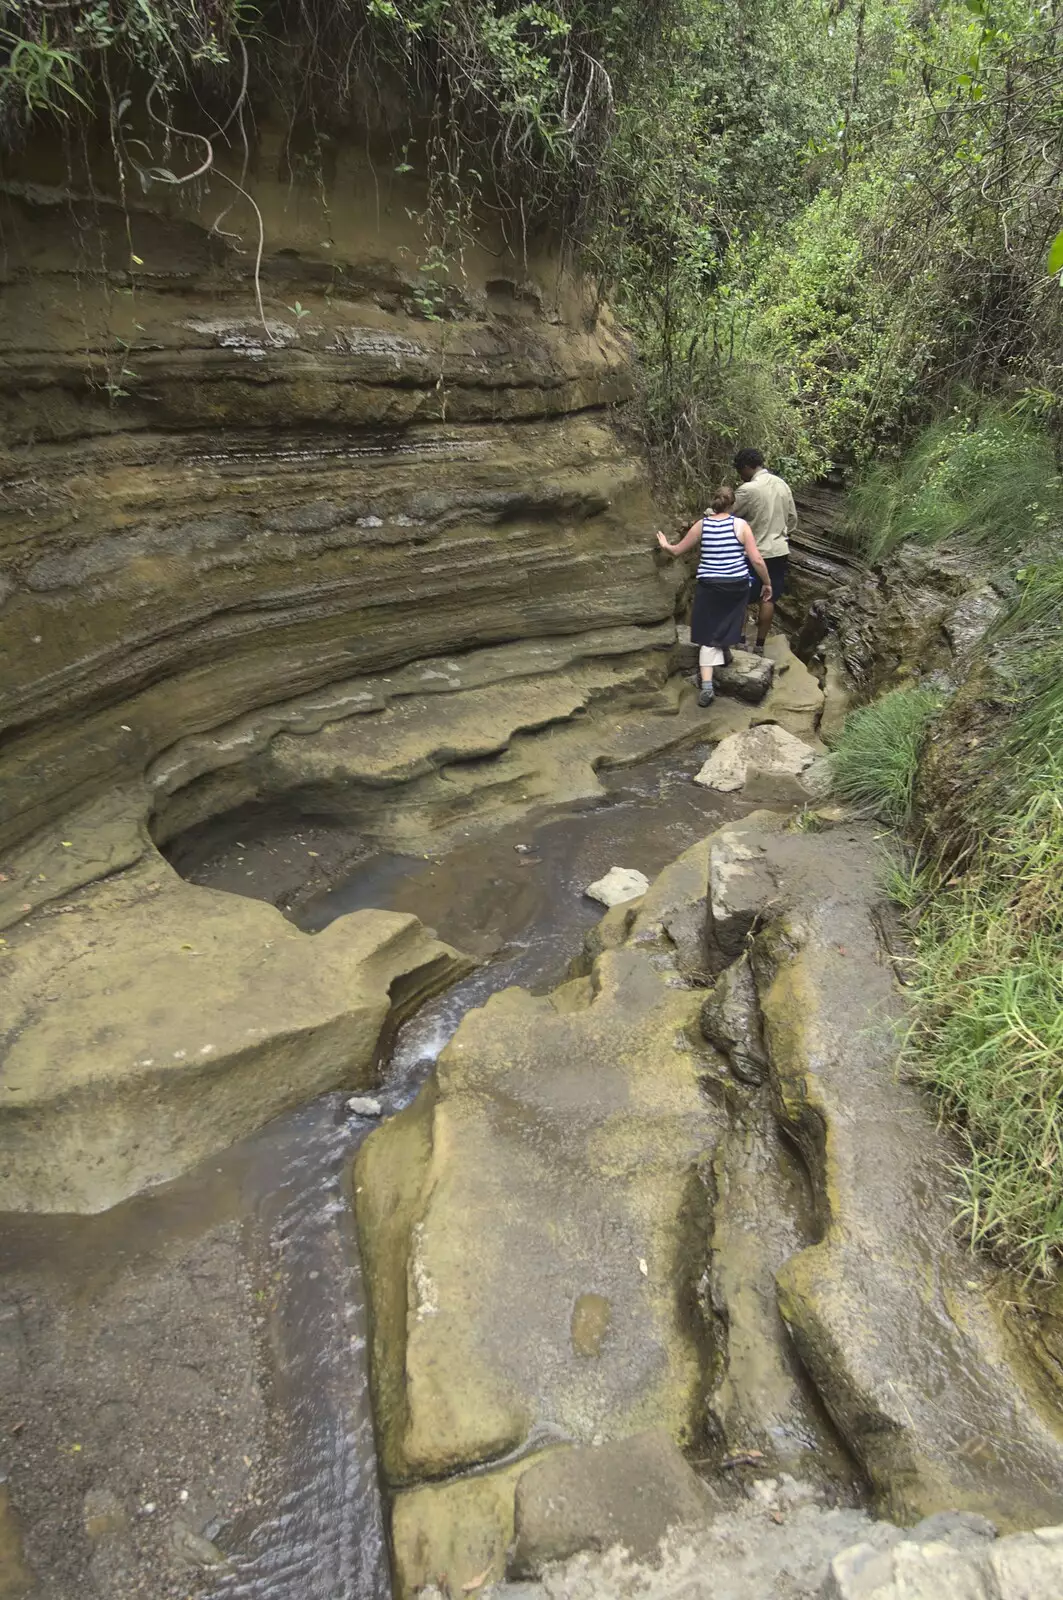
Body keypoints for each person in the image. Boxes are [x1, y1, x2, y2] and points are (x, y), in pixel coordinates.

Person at [657, 486, 772, 707]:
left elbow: (677, 551)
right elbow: (756, 560)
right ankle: (725, 652)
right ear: (733, 504)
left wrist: (664, 545)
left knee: (708, 633)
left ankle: (707, 687)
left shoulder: (702, 525)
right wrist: (767, 583)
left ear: (715, 502)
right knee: (730, 618)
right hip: (736, 585)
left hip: (710, 584)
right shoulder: (741, 526)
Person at [733, 446, 798, 655]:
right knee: (768, 598)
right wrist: (781, 534)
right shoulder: (783, 485)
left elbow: (725, 512)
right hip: (778, 552)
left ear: (746, 467)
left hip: (751, 553)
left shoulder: (748, 490)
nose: (740, 476)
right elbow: (793, 519)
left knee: (740, 597)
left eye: (739, 471)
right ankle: (760, 646)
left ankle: (741, 642)